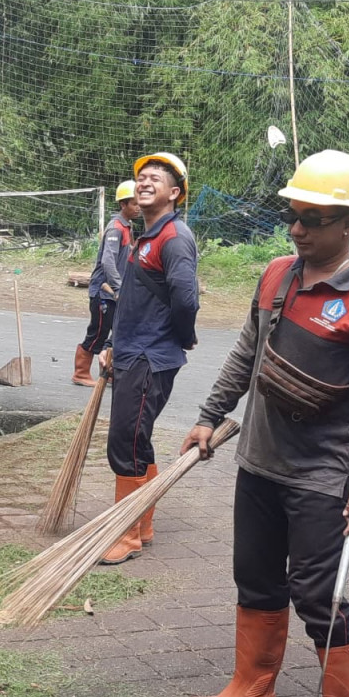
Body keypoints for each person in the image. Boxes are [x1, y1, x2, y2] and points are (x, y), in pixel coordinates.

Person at [181, 150, 349, 697]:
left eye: (311, 218)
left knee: (316, 594)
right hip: (258, 463)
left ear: (348, 225)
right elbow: (245, 354)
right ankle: (252, 688)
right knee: (254, 578)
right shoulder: (277, 273)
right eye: (292, 216)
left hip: (323, 477)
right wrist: (209, 415)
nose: (296, 229)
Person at [98, 152, 199, 565]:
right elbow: (130, 300)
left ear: (174, 193)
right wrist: (110, 343)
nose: (144, 182)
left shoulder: (174, 238)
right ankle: (143, 525)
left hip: (150, 358)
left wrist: (184, 336)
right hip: (130, 351)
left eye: (155, 177)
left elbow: (186, 298)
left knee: (126, 443)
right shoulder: (143, 238)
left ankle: (126, 536)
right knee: (134, 440)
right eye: (141, 177)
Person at [72, 180, 140, 386]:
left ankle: (108, 372)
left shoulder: (127, 227)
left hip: (116, 291)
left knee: (118, 331)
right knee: (99, 331)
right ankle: (81, 373)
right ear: (123, 204)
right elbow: (108, 262)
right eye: (134, 203)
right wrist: (118, 288)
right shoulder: (115, 229)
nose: (139, 207)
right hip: (104, 292)